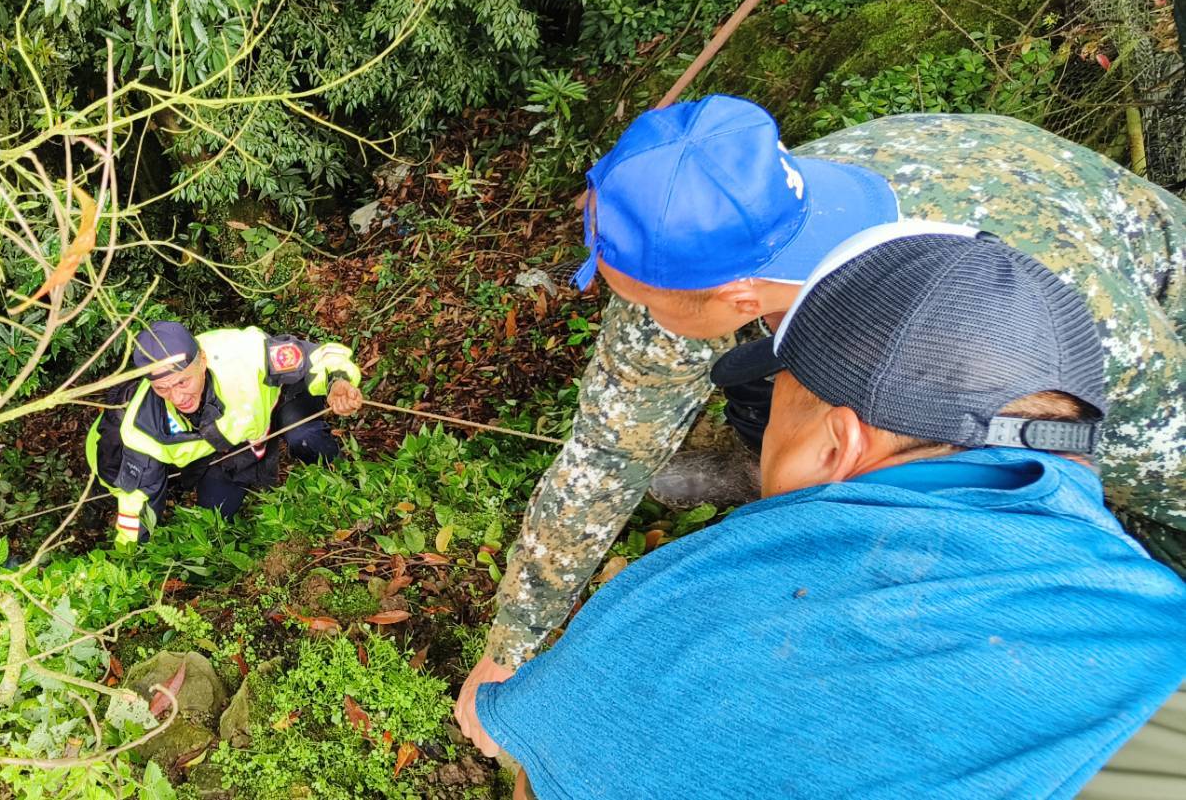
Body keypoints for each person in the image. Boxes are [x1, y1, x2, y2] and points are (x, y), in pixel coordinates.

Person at [473, 95, 1186, 686]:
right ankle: (770, 471)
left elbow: (1145, 467)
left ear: (732, 294)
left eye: (641, 297)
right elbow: (606, 450)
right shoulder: (740, 209)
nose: (628, 310)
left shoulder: (1041, 322)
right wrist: (510, 646)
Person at [457, 231, 1186, 799]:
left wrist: (498, 707)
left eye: (774, 412)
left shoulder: (693, 614)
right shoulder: (1159, 633)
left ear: (840, 442)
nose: (761, 432)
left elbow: (548, 759)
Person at [86, 321, 363, 545]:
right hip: (235, 443)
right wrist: (128, 557)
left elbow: (316, 356)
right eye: (163, 389)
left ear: (202, 360)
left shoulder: (242, 354)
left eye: (183, 381)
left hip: (279, 403)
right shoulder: (145, 426)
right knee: (215, 517)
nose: (177, 396)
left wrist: (338, 383)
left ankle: (336, 475)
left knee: (305, 436)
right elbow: (137, 500)